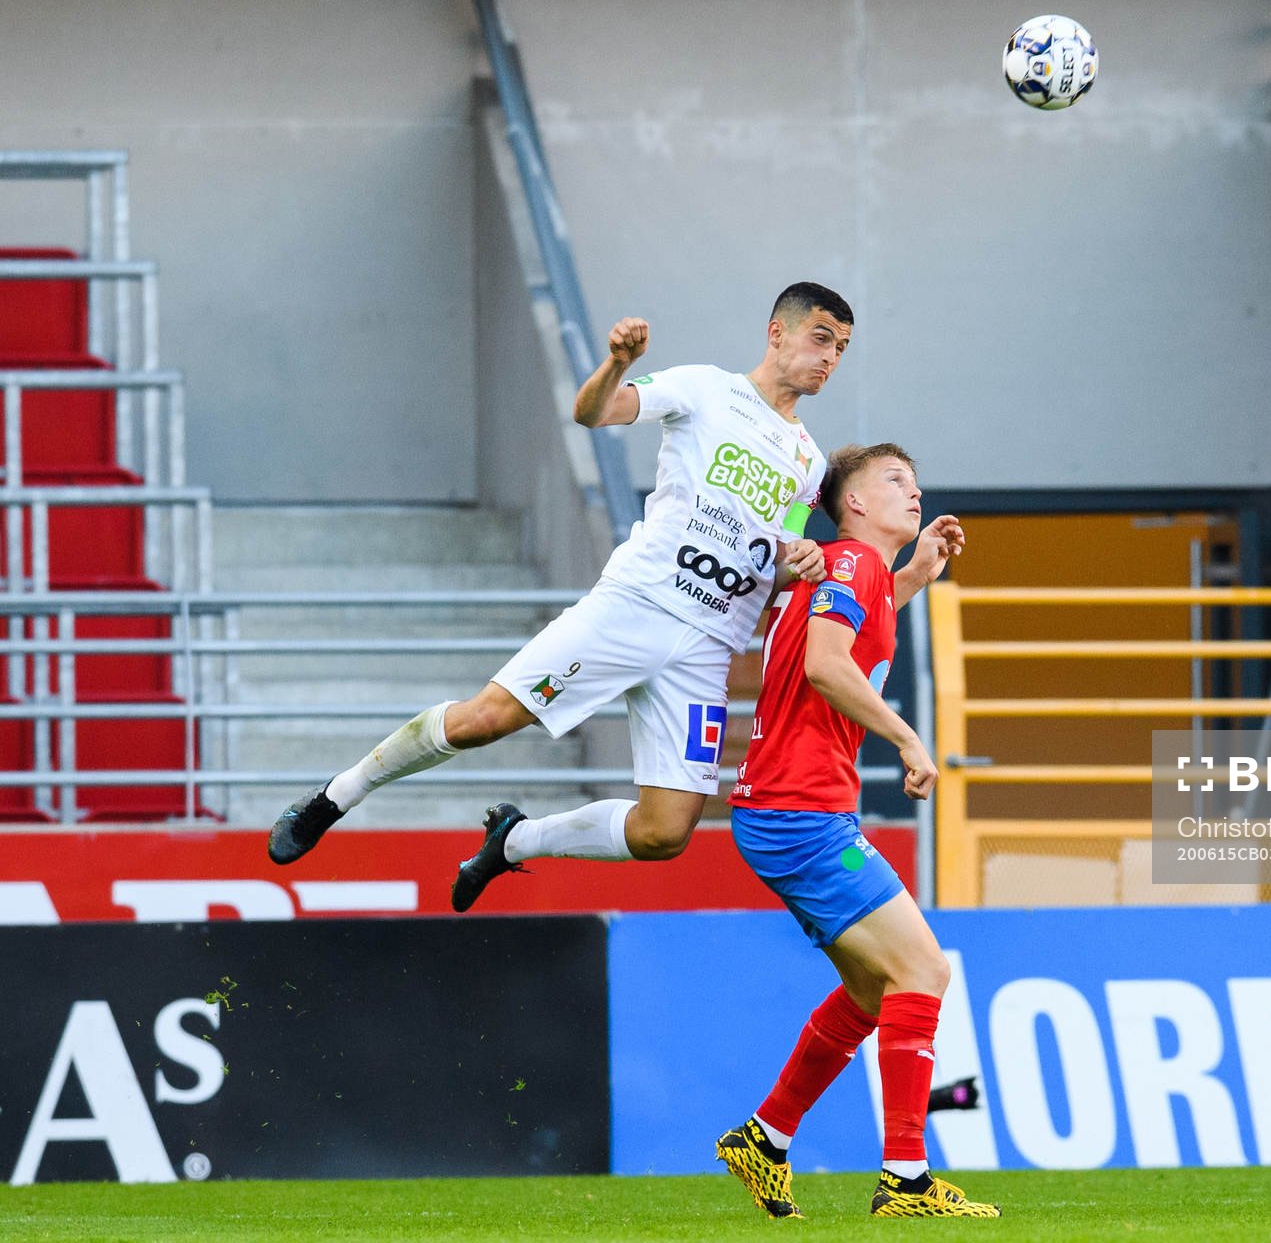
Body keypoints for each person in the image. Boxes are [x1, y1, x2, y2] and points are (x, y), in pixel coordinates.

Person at [269, 283, 849, 890]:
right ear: (776, 331)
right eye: (821, 337)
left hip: (707, 648)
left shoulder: (808, 459)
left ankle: (514, 840)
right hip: (637, 605)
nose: (831, 356)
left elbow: (782, 553)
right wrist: (619, 363)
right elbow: (593, 412)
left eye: (841, 347)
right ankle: (334, 798)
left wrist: (802, 558)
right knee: (482, 721)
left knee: (665, 834)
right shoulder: (705, 388)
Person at [712, 443, 996, 1220]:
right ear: (855, 505)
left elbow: (844, 633)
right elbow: (827, 667)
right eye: (895, 481)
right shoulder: (850, 565)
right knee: (925, 972)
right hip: (802, 812)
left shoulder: (849, 572)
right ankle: (905, 1178)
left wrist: (914, 576)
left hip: (780, 810)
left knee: (873, 990)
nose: (914, 491)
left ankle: (765, 1140)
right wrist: (908, 738)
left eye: (917, 480)